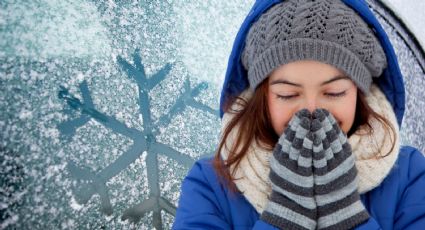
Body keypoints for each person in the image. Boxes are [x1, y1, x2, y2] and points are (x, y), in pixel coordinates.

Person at [173, 0, 425, 229]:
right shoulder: (210, 185)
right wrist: (284, 217)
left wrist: (346, 216)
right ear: (262, 98)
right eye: (288, 95)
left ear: (359, 94)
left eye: (335, 92)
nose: (312, 110)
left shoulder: (409, 175)